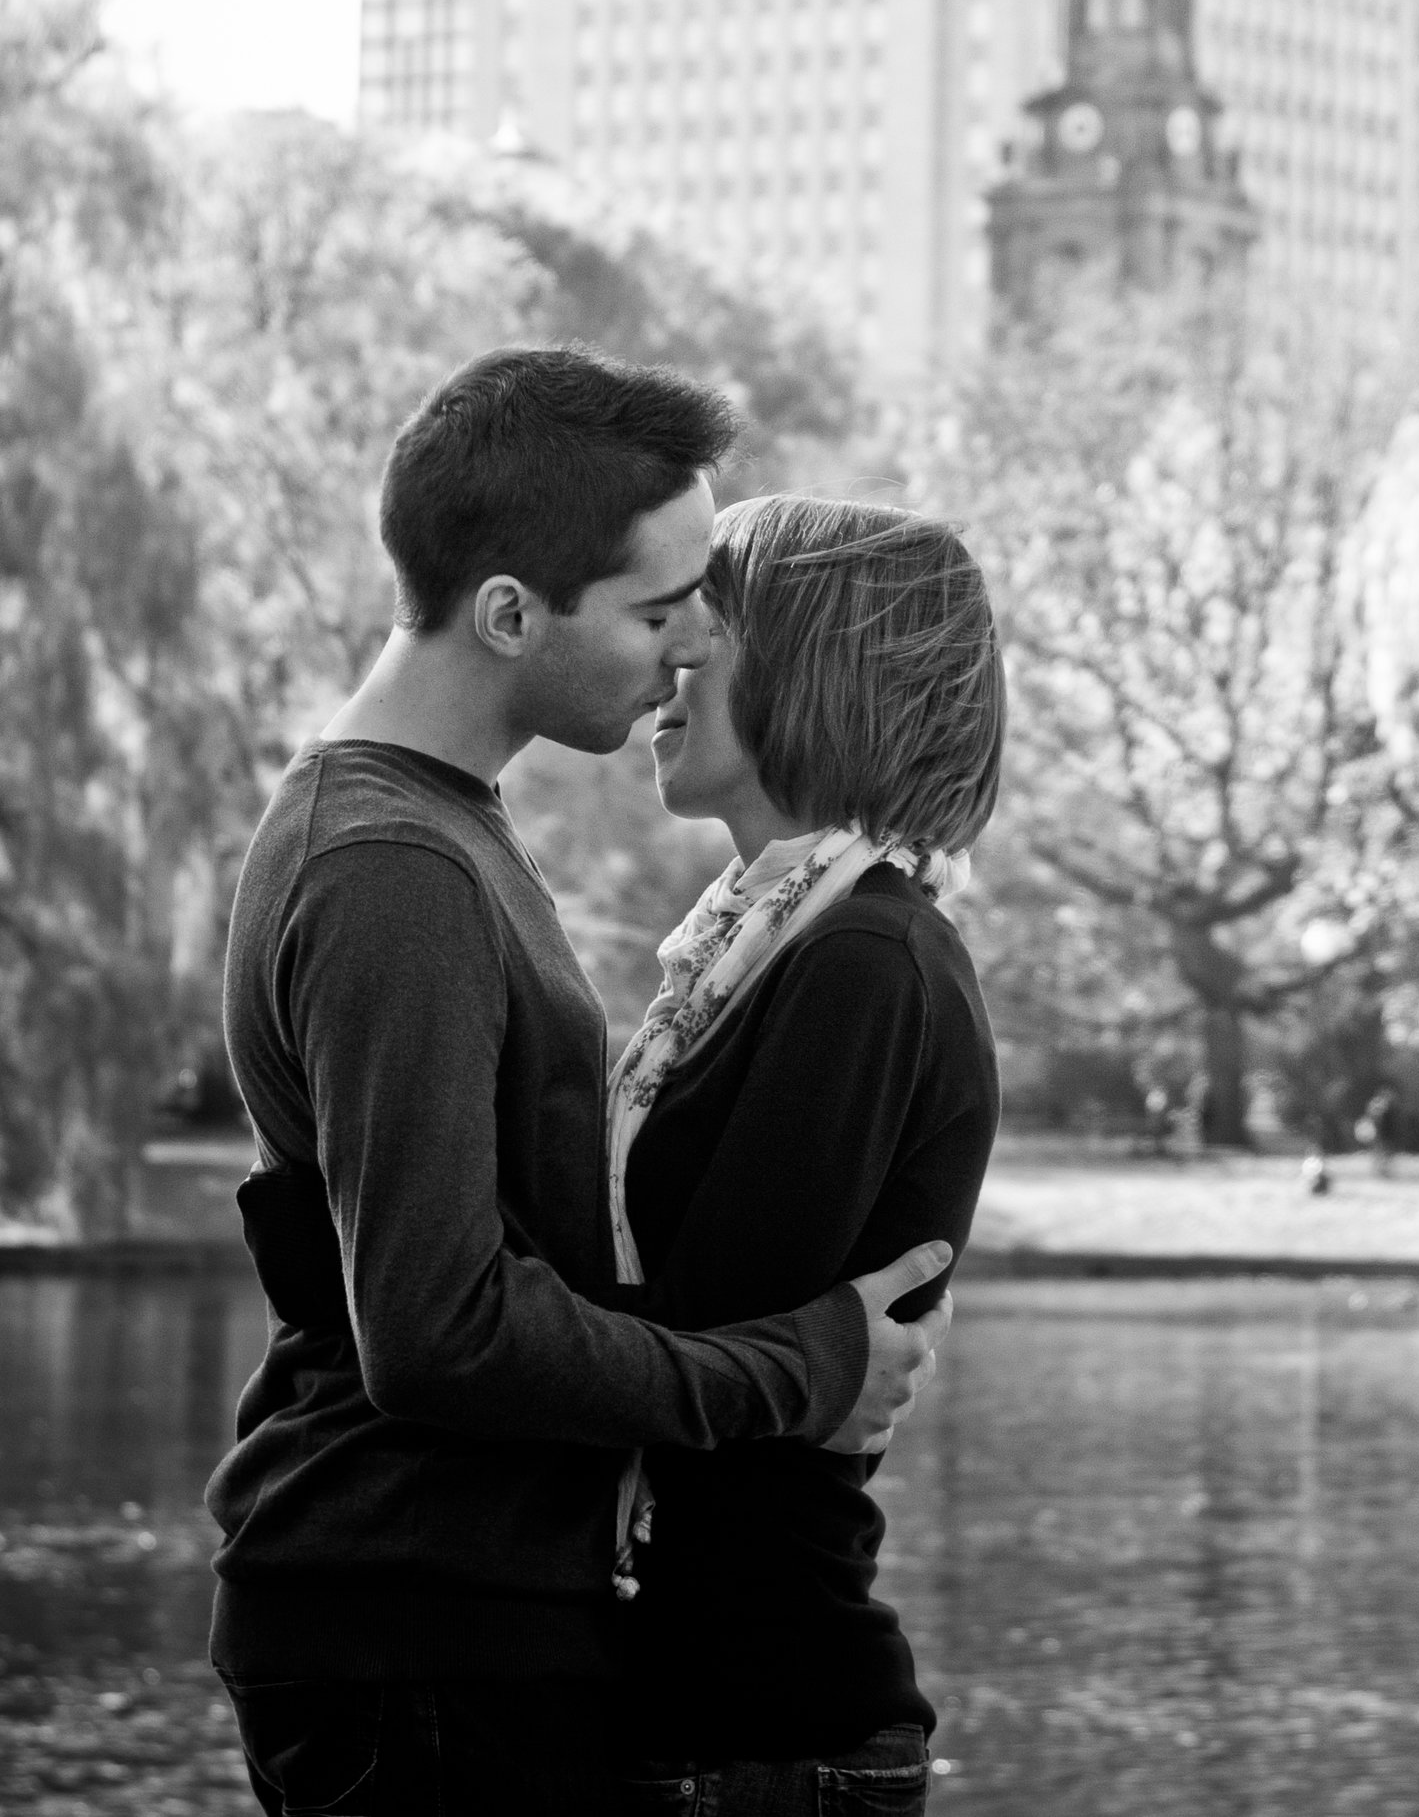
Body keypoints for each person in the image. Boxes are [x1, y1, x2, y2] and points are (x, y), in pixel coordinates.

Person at [208, 347, 955, 1817]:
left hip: (449, 1613)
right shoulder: (393, 868)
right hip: (412, 1628)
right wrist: (807, 1368)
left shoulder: (432, 826)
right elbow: (437, 1327)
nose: (689, 648)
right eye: (657, 608)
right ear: (508, 611)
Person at [610, 496, 1006, 1817]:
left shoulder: (863, 961)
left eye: (700, 626)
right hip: (708, 1718)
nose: (666, 659)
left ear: (817, 660)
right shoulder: (766, 948)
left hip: (763, 1739)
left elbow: (693, 1359)